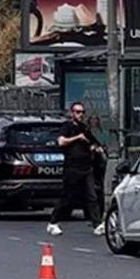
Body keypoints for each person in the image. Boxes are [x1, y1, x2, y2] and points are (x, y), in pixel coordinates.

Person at [47, 101, 103, 236]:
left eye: (82, 112)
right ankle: (53, 222)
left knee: (92, 196)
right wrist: (77, 138)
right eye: (78, 112)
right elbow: (61, 141)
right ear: (72, 113)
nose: (81, 115)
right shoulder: (67, 127)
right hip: (72, 168)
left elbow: (94, 143)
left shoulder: (85, 128)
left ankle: (97, 224)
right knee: (67, 197)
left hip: (86, 168)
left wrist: (96, 148)